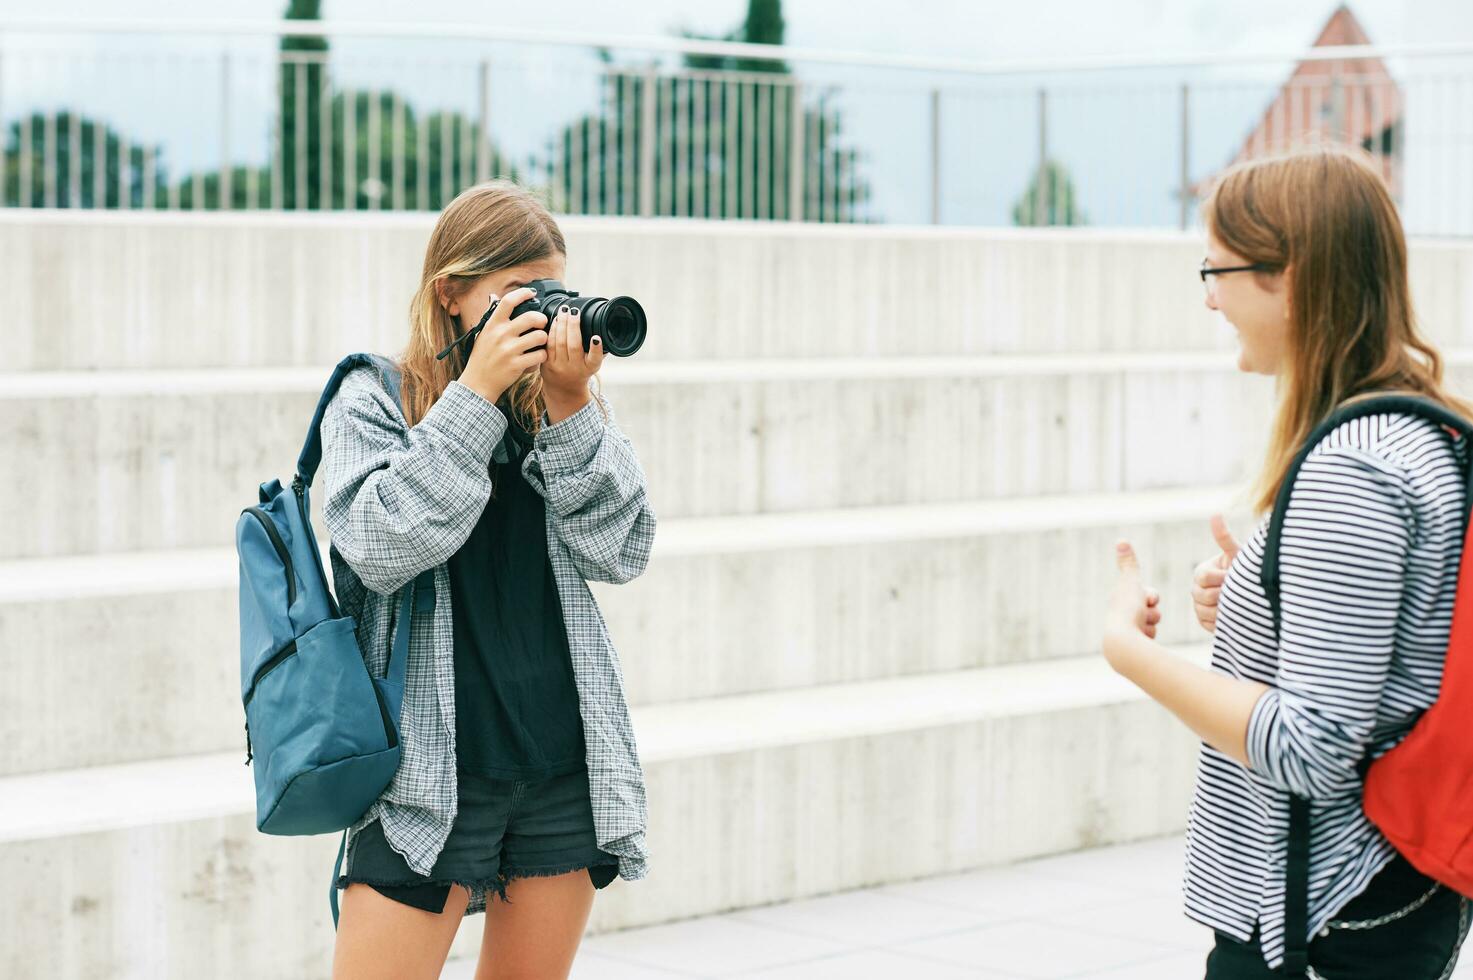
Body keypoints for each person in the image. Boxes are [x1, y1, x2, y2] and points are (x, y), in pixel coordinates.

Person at [1102, 147, 1471, 978]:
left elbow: (1312, 747)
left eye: (1217, 269)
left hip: (1320, 912)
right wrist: (1259, 598)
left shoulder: (1355, 467)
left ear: (1290, 278)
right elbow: (1403, 645)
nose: (1208, 298)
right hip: (1376, 897)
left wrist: (1132, 655)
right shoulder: (1422, 429)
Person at [322, 180, 655, 980]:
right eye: (517, 297)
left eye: (555, 294)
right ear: (451, 295)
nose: (542, 316)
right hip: (427, 778)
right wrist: (473, 397)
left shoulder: (560, 407)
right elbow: (378, 541)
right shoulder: (373, 396)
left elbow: (625, 549)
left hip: (558, 767)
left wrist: (572, 406)